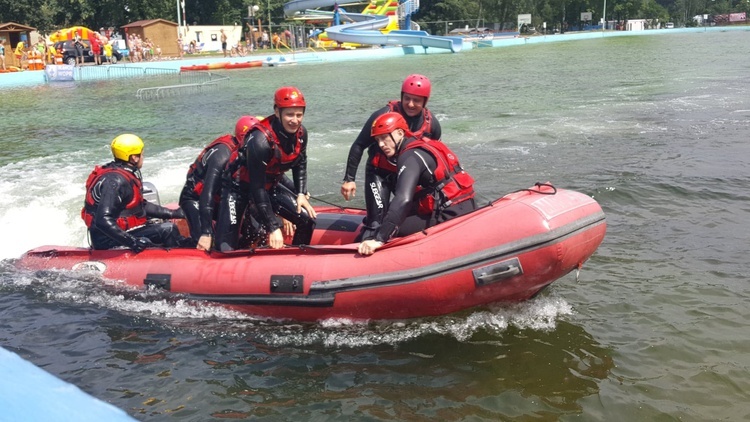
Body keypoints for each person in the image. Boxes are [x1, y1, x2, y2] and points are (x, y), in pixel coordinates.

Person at [358, 113, 476, 255]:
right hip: (467, 205)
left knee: (382, 229)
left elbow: (403, 199)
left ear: (400, 133)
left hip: (449, 215)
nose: (381, 144)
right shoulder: (423, 145)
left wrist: (379, 238)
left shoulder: (409, 156)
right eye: (377, 140)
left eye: (384, 137)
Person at [214, 87, 317, 251]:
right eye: (290, 114)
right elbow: (257, 189)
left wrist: (300, 193)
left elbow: (300, 162)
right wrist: (273, 226)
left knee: (307, 220)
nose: (295, 120)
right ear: (277, 112)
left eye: (299, 115)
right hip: (238, 189)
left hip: (268, 186)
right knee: (226, 247)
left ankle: (294, 265)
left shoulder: (301, 134)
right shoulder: (260, 141)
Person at [341, 74, 442, 241]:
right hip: (379, 172)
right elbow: (359, 144)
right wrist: (349, 179)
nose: (410, 104)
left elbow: (433, 157)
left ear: (425, 102)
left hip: (406, 176)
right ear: (401, 96)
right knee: (377, 221)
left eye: (417, 100)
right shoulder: (383, 115)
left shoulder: (432, 125)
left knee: (412, 215)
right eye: (407, 98)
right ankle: (365, 244)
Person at [81, 134, 188, 252]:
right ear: (133, 158)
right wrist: (132, 242)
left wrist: (173, 213)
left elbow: (141, 207)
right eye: (141, 154)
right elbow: (103, 220)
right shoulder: (114, 182)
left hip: (116, 235)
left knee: (166, 223)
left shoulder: (121, 174)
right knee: (169, 229)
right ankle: (176, 262)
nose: (143, 156)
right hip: (106, 241)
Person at [179, 116, 260, 251]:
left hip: (220, 200)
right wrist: (206, 232)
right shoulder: (222, 156)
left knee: (255, 231)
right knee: (204, 243)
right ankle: (179, 247)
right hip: (196, 199)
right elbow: (207, 192)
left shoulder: (246, 153)